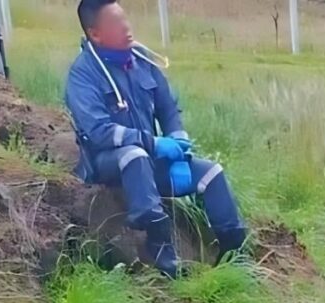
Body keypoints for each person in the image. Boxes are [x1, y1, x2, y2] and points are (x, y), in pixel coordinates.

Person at [65, 0, 246, 278]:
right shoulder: (83, 75)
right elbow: (100, 132)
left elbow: (168, 108)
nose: (127, 28)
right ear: (95, 34)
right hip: (107, 165)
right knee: (134, 154)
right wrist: (154, 144)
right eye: (116, 24)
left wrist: (178, 142)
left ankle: (234, 252)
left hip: (148, 162)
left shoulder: (142, 61)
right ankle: (161, 252)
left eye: (125, 20)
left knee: (211, 173)